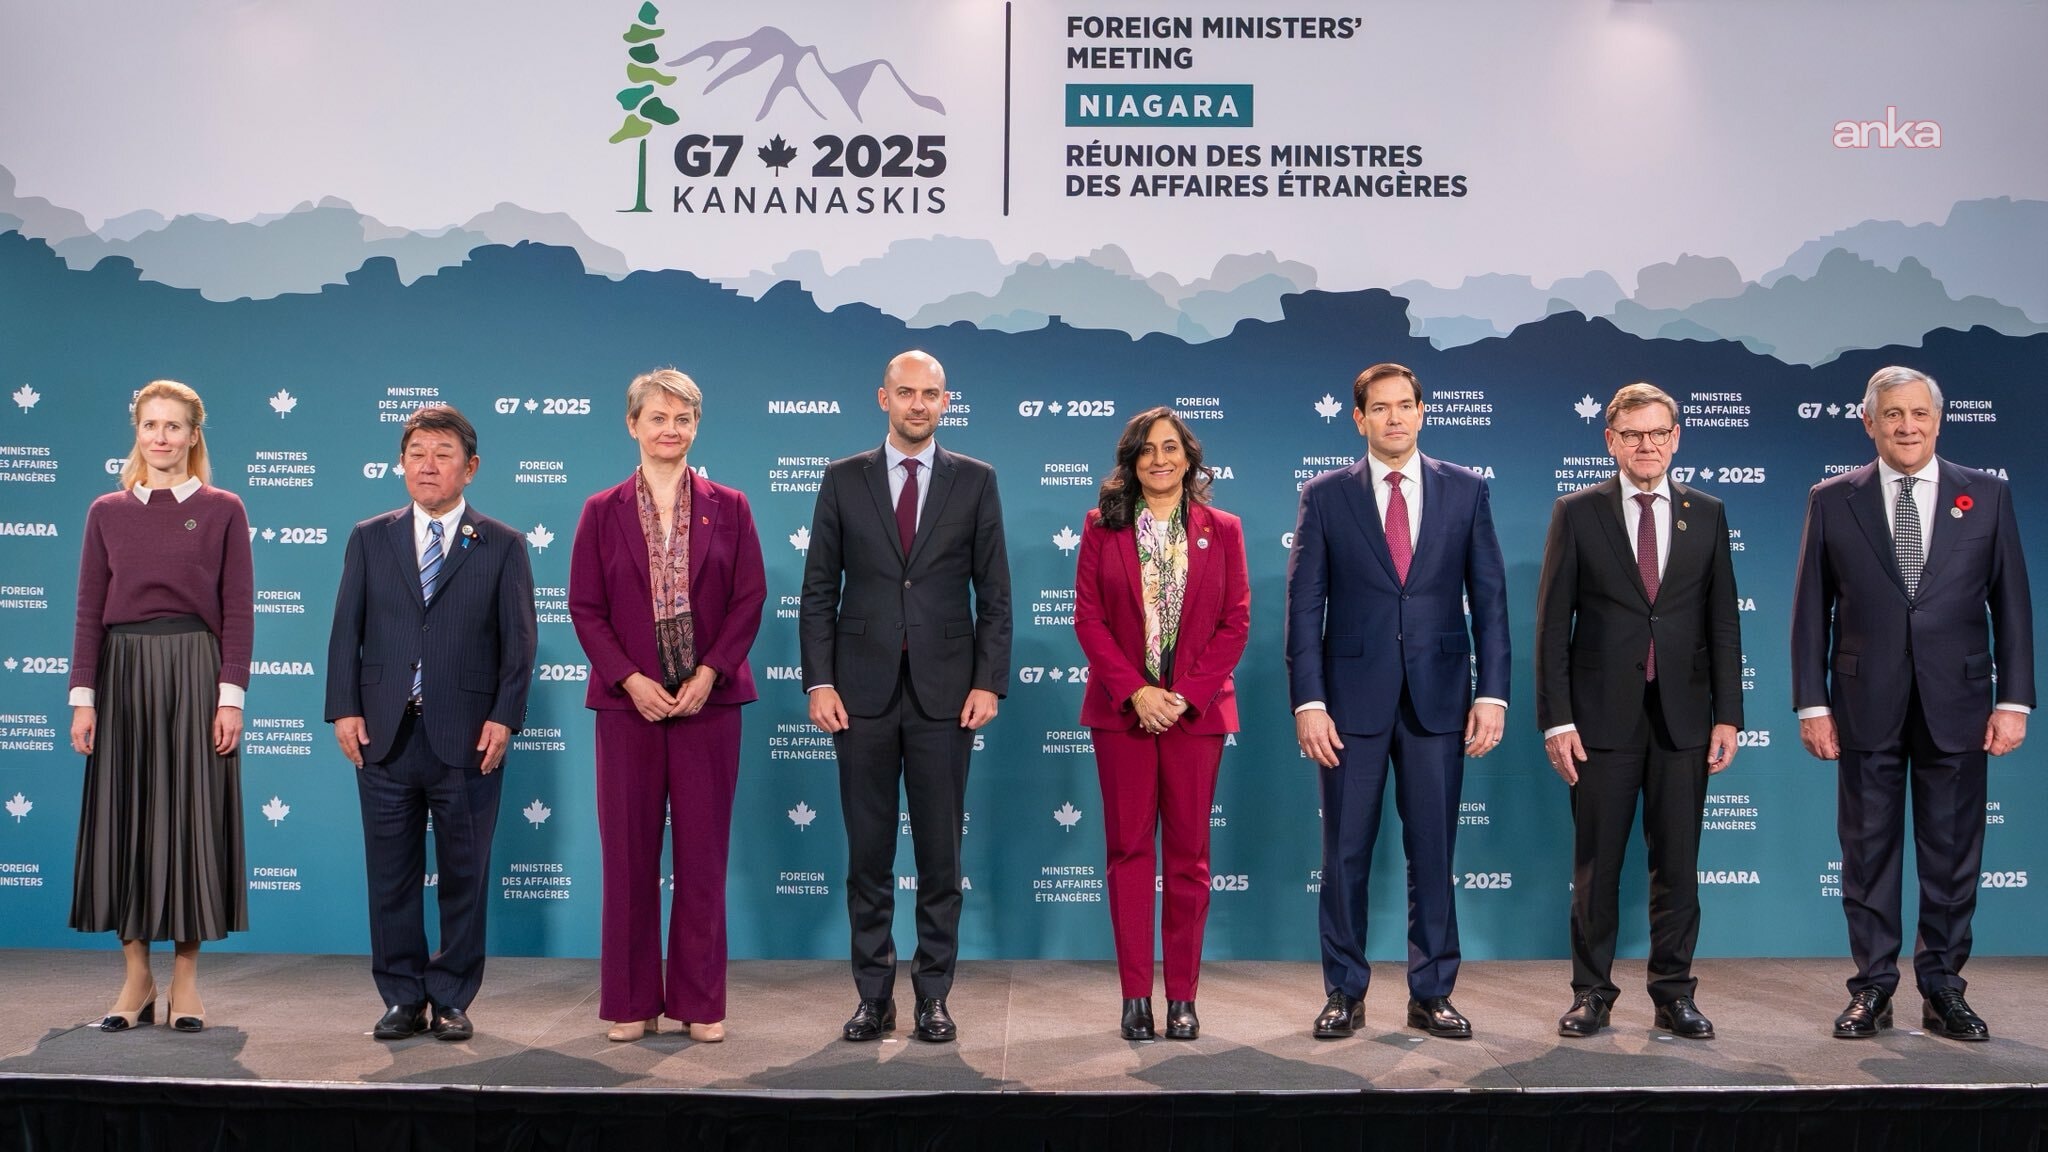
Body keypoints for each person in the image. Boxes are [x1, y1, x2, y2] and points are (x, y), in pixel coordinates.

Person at [1791, 365, 2033, 1042]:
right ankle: (1872, 987)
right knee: (1867, 853)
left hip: (1959, 703)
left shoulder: (1987, 495)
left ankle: (1943, 987)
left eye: (1919, 413)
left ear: (1938, 420)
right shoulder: (1831, 499)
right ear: (1869, 422)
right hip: (1863, 703)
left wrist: (2014, 700)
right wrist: (1812, 704)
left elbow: (2012, 605)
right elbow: (1810, 609)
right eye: (1893, 414)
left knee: (1952, 854)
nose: (1907, 427)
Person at [1286, 362, 1509, 1040]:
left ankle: (1432, 992)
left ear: (1422, 412)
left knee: (1433, 854)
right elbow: (1304, 607)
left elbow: (1491, 601)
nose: (1394, 418)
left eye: (1405, 405)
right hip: (1348, 706)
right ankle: (1343, 992)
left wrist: (1492, 693)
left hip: (1440, 701)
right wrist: (1309, 701)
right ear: (1359, 419)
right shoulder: (1325, 496)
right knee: (1344, 856)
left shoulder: (1466, 489)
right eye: (1379, 408)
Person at [800, 350, 1011, 1044]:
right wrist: (819, 680)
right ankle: (873, 996)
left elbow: (995, 593)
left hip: (947, 696)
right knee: (868, 856)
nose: (918, 403)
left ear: (946, 402)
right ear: (882, 397)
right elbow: (819, 589)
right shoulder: (843, 478)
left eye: (931, 393)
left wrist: (988, 680)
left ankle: (933, 997)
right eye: (906, 392)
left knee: (941, 859)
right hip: (857, 694)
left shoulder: (976, 480)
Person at [1534, 382, 1742, 1040]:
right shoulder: (1577, 512)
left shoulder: (1707, 513)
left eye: (1657, 433)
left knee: (1677, 866)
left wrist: (1729, 715)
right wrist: (1557, 719)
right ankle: (1591, 993)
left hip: (1684, 719)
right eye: (1632, 435)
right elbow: (1552, 626)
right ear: (1611, 442)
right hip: (1599, 721)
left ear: (1676, 438)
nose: (1646, 445)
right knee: (1596, 868)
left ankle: (1673, 993)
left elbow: (1723, 621)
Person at [325, 404, 537, 1042]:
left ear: (470, 468)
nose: (428, 465)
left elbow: (519, 643)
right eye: (417, 453)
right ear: (400, 463)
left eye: (443, 454)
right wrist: (344, 708)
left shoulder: (502, 543)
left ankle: (449, 996)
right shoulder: (370, 537)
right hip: (384, 733)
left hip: (468, 735)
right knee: (389, 875)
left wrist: (504, 717)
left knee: (465, 876)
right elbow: (345, 632)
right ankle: (400, 995)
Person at [569, 369, 765, 1044]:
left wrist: (711, 672)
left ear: (696, 427)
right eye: (657, 417)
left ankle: (699, 1002)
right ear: (633, 425)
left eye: (682, 418)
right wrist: (629, 680)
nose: (670, 429)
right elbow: (585, 608)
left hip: (710, 703)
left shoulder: (730, 506)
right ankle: (630, 1002)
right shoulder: (601, 510)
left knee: (703, 859)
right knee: (627, 860)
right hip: (630, 708)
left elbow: (749, 598)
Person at [68, 380, 253, 1034]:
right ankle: (136, 977)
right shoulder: (106, 512)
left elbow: (238, 611)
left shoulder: (224, 509)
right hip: (122, 674)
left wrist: (230, 696)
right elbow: (88, 610)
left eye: (174, 426)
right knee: (127, 817)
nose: (161, 437)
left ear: (194, 435)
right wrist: (83, 698)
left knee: (190, 821)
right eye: (151, 425)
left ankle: (186, 980)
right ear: (137, 432)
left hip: (195, 672)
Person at [1073, 407, 1250, 1041]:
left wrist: (1182, 697)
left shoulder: (1222, 529)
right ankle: (1134, 999)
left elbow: (1235, 622)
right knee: (1127, 853)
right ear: (1131, 460)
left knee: (1189, 858)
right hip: (1123, 715)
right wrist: (1137, 693)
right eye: (1147, 450)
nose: (1159, 459)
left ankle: (1182, 998)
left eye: (1170, 448)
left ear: (1189, 458)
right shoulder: (1102, 527)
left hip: (1193, 718)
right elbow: (1088, 619)